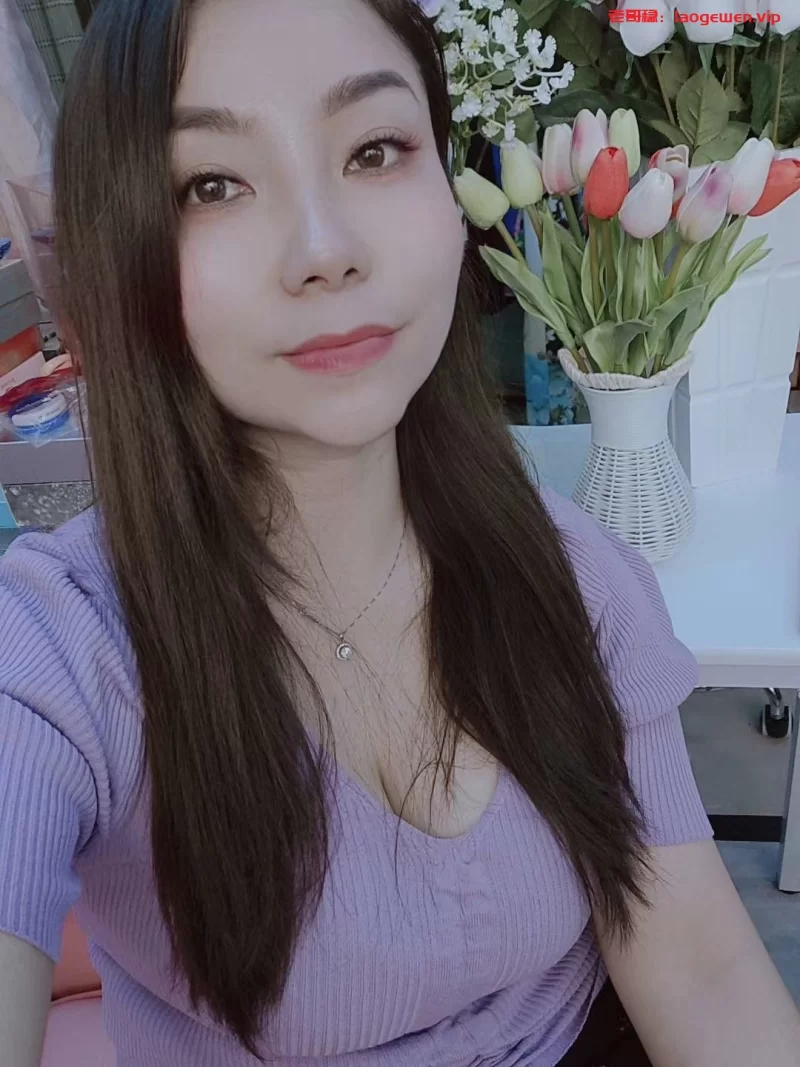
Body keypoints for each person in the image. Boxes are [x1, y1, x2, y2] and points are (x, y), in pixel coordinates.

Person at [0, 0, 798, 1064]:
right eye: (213, 184)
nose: (324, 251)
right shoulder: (61, 653)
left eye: (374, 150)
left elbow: (698, 964)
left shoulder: (573, 573)